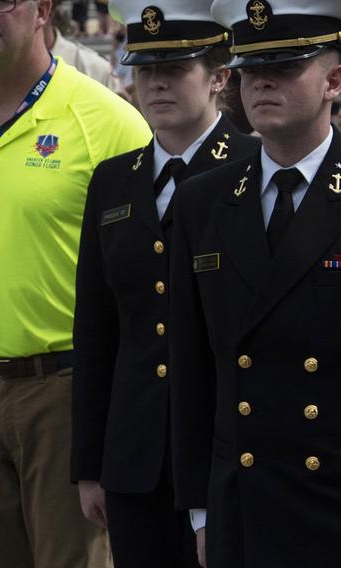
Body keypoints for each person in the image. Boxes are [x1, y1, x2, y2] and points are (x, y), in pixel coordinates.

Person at [0, 0, 151, 565]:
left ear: (43, 9)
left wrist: (117, 422)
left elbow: (141, 291)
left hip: (67, 391)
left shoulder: (109, 122)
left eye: (2, 0)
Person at [69, 1, 260, 567]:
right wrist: (90, 464)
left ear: (219, 78)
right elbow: (97, 331)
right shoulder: (114, 181)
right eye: (145, 69)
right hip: (135, 457)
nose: (155, 84)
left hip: (225, 450)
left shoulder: (254, 167)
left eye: (175, 69)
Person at [169, 1, 341, 567]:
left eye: (286, 65)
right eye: (247, 67)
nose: (260, 81)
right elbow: (192, 367)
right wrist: (200, 508)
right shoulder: (204, 199)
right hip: (242, 500)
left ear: (333, 80)